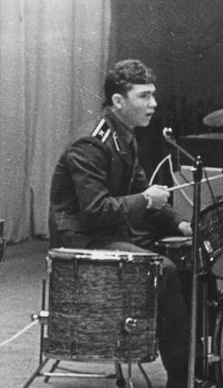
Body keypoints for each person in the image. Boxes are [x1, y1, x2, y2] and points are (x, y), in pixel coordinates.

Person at [49, 59, 193, 387]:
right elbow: (95, 210)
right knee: (165, 270)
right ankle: (182, 379)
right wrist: (146, 200)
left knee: (188, 260)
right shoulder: (91, 143)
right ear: (118, 100)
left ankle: (191, 368)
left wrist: (181, 225)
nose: (153, 104)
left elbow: (141, 191)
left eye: (153, 95)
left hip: (108, 234)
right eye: (144, 96)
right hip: (80, 243)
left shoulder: (124, 136)